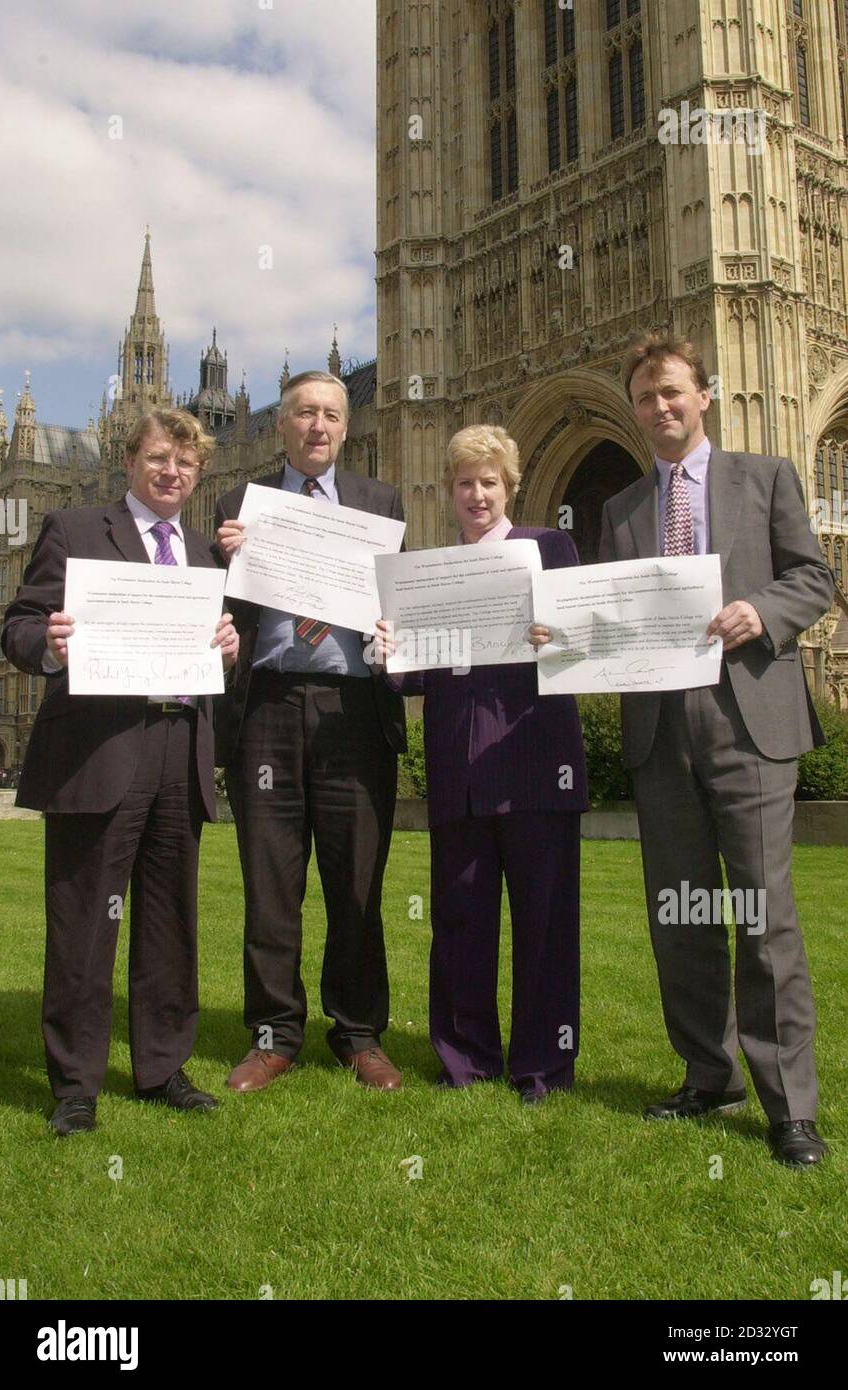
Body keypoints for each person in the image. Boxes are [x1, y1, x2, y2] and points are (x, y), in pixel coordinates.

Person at [596, 330, 834, 1166]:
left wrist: (760, 611)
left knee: (762, 918)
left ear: (704, 395)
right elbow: (608, 619)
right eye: (643, 398)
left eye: (671, 393)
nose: (658, 409)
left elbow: (814, 577)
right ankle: (707, 1073)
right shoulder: (619, 509)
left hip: (748, 725)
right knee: (682, 916)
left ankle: (789, 1108)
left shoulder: (762, 478)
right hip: (661, 732)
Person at [2, 409, 239, 1136]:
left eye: (186, 464)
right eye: (160, 459)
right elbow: (18, 627)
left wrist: (229, 645)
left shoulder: (203, 555)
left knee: (170, 922)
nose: (173, 473)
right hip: (99, 749)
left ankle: (162, 1067)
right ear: (131, 460)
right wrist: (50, 638)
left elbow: (222, 651)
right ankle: (75, 1083)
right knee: (82, 923)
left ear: (199, 474)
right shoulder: (75, 531)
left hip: (178, 747)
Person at [377, 425, 588, 1102]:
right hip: (460, 764)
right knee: (461, 921)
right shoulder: (430, 570)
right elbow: (416, 677)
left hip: (535, 759)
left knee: (544, 924)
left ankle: (541, 1067)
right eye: (464, 483)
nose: (476, 495)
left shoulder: (548, 548)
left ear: (509, 487)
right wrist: (387, 656)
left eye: (488, 482)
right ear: (448, 491)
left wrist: (561, 633)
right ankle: (466, 1061)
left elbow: (589, 638)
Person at [215, 370, 406, 1092]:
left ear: (346, 428)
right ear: (280, 428)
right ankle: (272, 1035)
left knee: (356, 881)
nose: (317, 426)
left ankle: (358, 1032)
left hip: (352, 707)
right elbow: (219, 610)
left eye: (330, 414)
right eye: (303, 413)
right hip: (267, 704)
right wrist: (224, 557)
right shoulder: (243, 503)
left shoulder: (378, 503)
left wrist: (399, 631)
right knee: (270, 882)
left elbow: (398, 599)